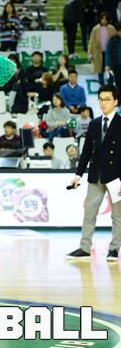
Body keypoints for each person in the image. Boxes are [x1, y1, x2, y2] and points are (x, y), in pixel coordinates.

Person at [67, 85, 121, 261]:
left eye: (107, 99)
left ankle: (114, 249)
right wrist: (78, 174)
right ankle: (84, 248)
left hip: (116, 178)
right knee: (89, 213)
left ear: (115, 101)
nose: (103, 103)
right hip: (95, 175)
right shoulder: (94, 123)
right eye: (101, 99)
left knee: (118, 216)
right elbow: (86, 152)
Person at [88, 12, 117, 86]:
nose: (104, 21)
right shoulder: (95, 29)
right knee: (100, 69)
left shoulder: (112, 28)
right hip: (98, 52)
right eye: (102, 19)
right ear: (99, 19)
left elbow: (116, 40)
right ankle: (102, 85)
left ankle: (110, 85)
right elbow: (91, 42)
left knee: (110, 69)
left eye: (105, 19)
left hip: (109, 53)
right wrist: (90, 53)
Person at [105, 23, 121, 97]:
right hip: (116, 67)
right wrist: (107, 65)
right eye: (120, 31)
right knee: (118, 85)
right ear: (117, 31)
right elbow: (108, 53)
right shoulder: (112, 40)